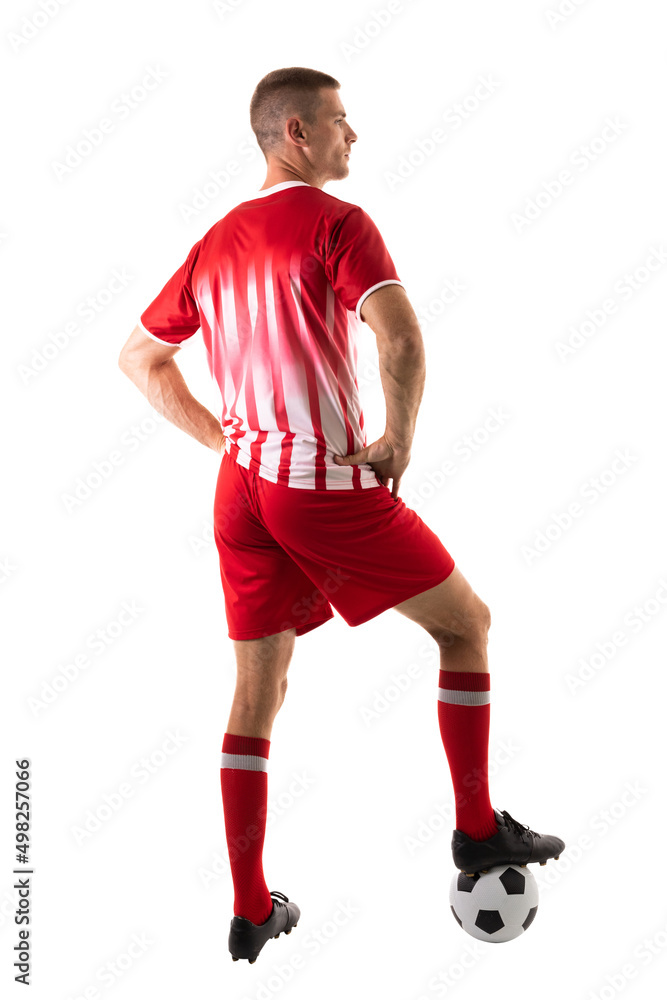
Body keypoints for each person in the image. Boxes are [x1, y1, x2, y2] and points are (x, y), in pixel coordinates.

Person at [118, 66, 564, 964]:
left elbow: (139, 359)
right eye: (338, 122)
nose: (351, 135)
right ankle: (476, 831)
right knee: (466, 626)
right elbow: (399, 336)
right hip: (317, 485)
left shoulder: (215, 241)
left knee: (258, 691)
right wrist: (398, 439)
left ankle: (251, 909)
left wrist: (227, 443)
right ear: (294, 135)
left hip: (241, 491)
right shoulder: (336, 225)